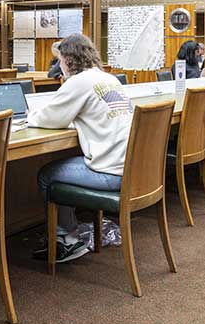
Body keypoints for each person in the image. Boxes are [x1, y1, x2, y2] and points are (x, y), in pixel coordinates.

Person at [28, 33, 132, 264]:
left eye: (60, 60)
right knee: (63, 167)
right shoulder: (109, 79)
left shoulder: (79, 81)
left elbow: (50, 118)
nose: (59, 65)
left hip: (109, 173)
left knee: (47, 175)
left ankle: (66, 239)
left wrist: (31, 115)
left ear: (68, 59)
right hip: (129, 168)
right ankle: (67, 233)